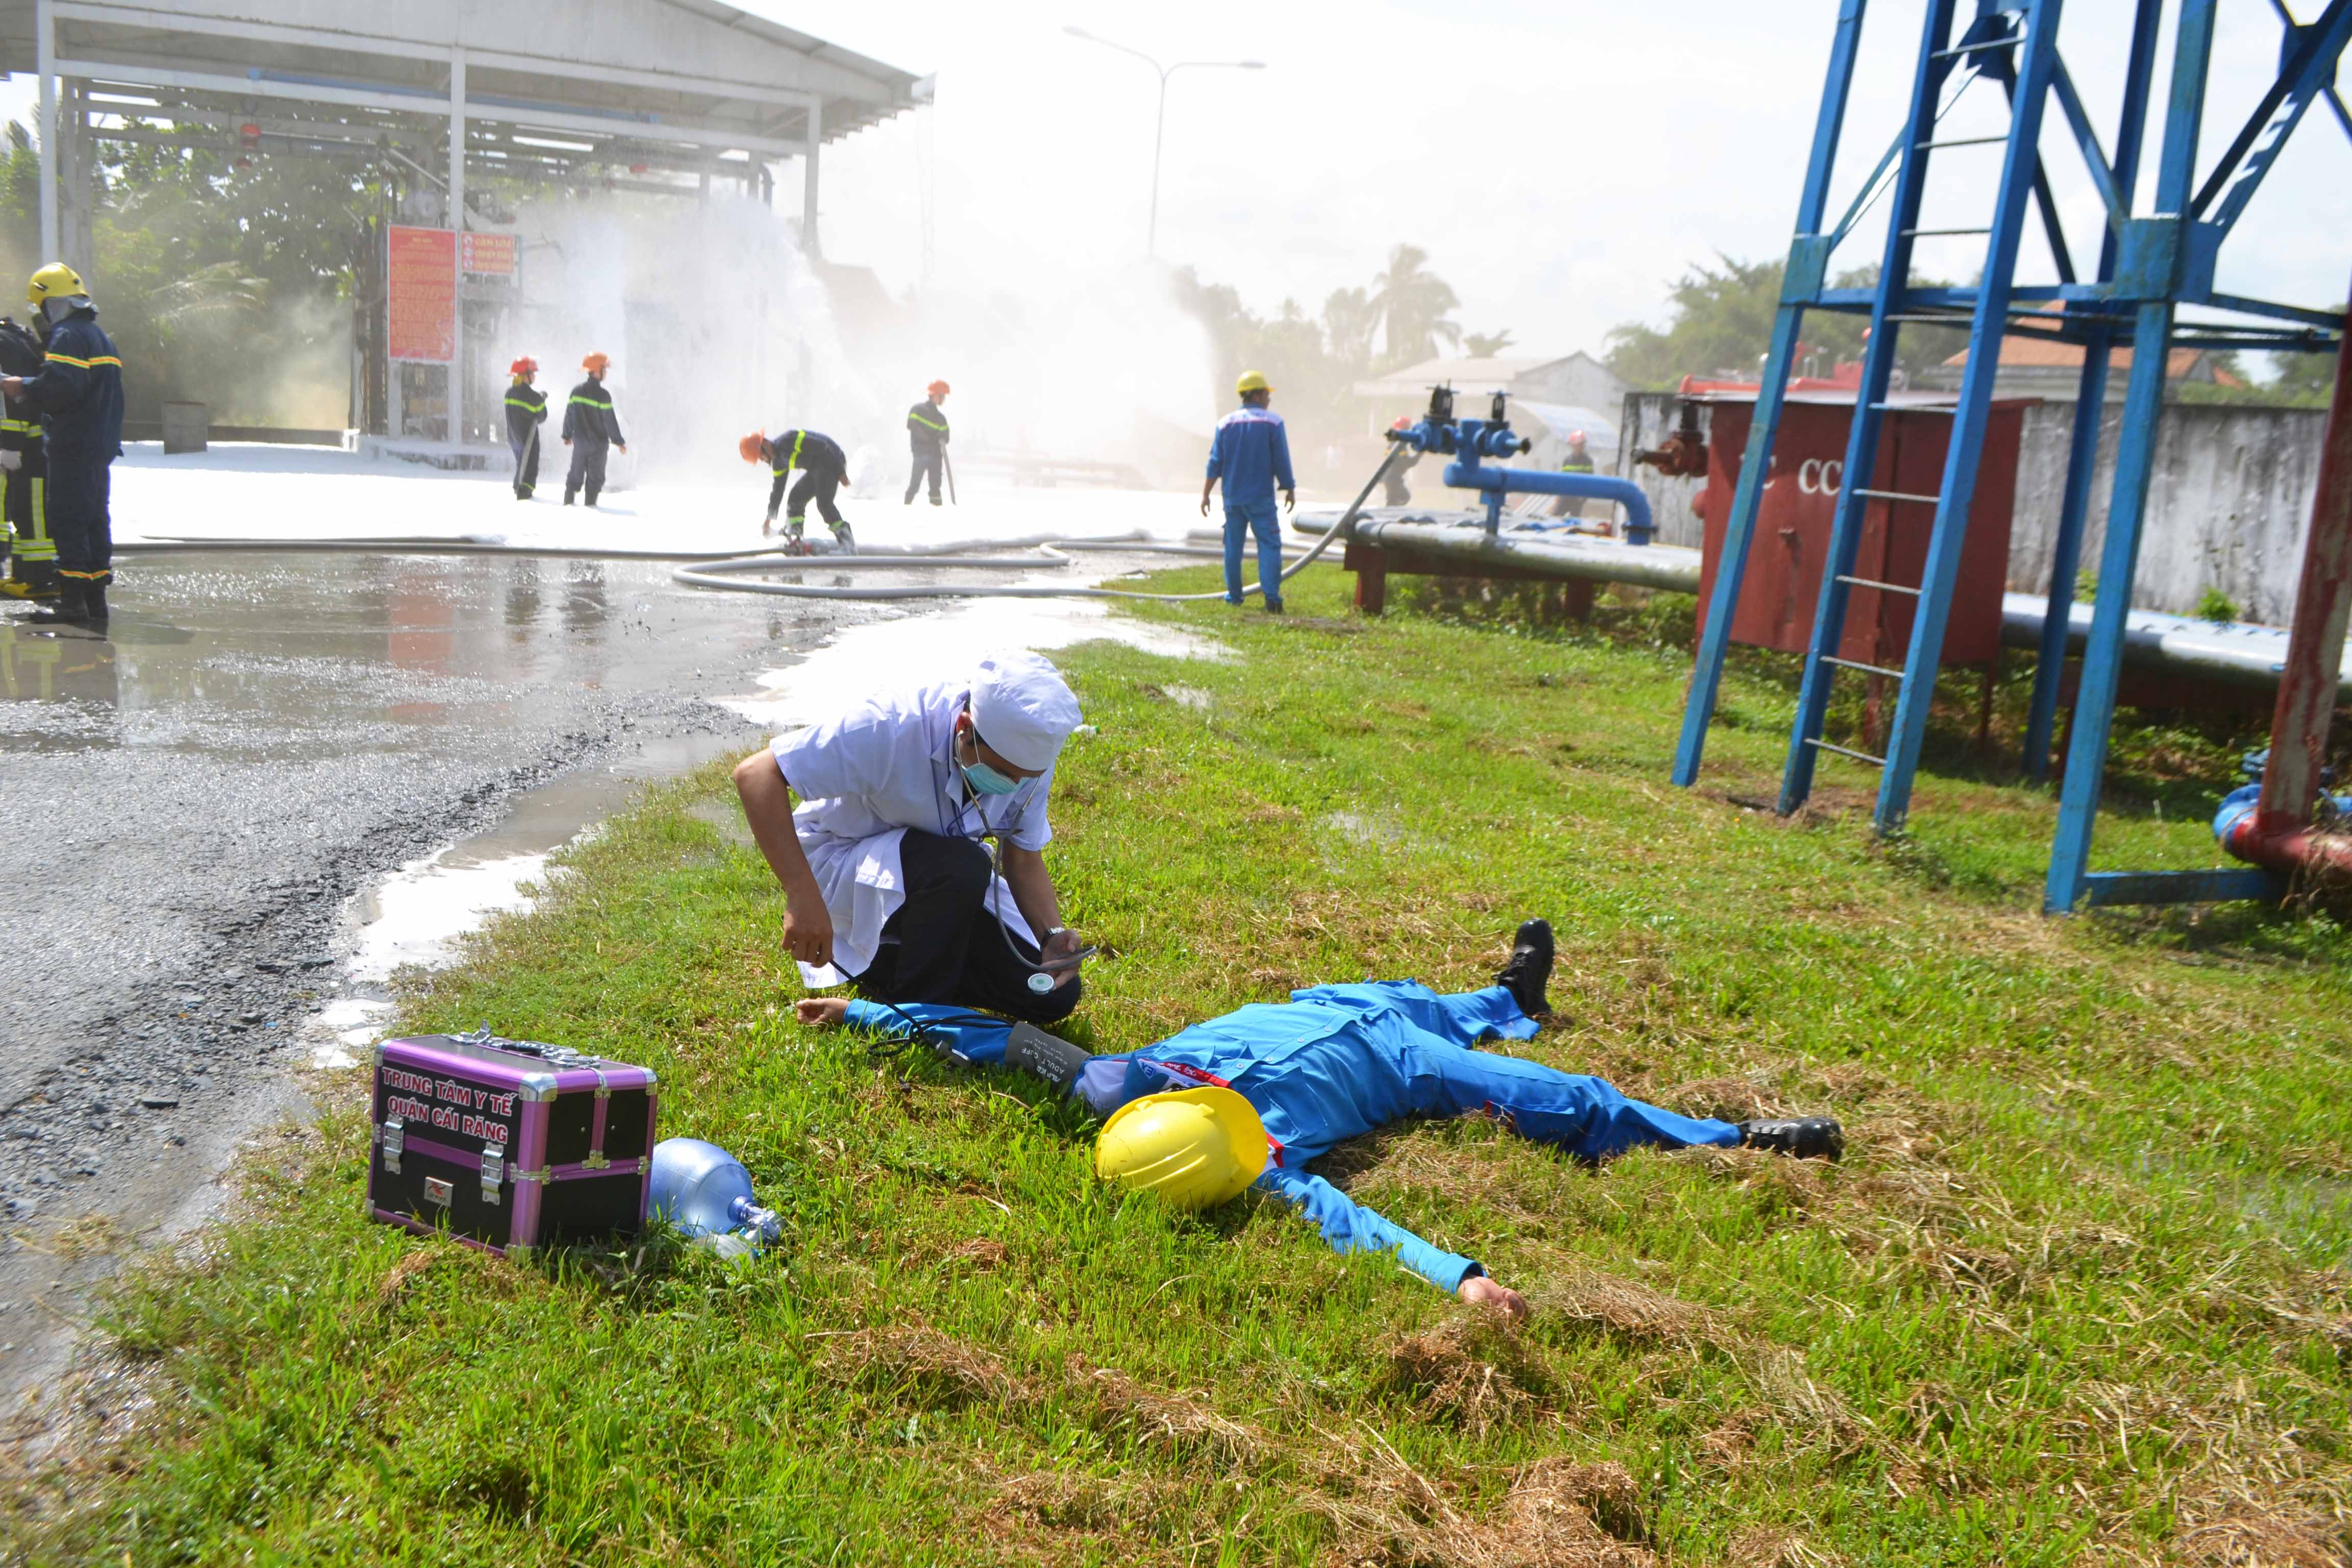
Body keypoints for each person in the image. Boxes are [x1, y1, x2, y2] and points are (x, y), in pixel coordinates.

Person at [799, 920, 1842, 1318]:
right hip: (1400, 1069)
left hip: (1325, 1006)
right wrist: (1458, 1277)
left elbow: (987, 1040)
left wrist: (866, 1012)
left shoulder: (1110, 1083)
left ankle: (1509, 997)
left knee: (1422, 997)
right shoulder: (1259, 1162)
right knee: (1569, 1102)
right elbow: (1347, 1222)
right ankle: (1733, 1136)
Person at [733, 650, 1088, 1027]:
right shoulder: (891, 725)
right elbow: (757, 774)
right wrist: (803, 896)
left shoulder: (1027, 763)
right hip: (848, 869)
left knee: (1052, 993)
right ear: (964, 728)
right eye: (1002, 773)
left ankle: (896, 971)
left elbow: (1022, 857)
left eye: (1023, 777)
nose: (1013, 786)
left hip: (943, 887)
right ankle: (916, 1014)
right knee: (963, 866)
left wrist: (1050, 936)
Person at [0, 264, 124, 629]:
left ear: (51, 303)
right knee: (94, 522)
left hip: (73, 446)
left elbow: (61, 388)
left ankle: (71, 604)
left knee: (68, 521)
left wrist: (22, 386)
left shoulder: (67, 336)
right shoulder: (99, 337)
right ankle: (94, 601)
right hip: (98, 447)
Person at [1200, 370, 1296, 615]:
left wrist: (1206, 494)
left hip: (1233, 499)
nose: (1269, 399)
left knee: (1233, 548)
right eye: (1266, 394)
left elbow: (1214, 462)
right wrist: (1289, 487)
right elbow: (1281, 459)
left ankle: (1234, 597)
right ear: (1256, 395)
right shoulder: (1273, 423)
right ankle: (1272, 599)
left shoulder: (1225, 424)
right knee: (1269, 545)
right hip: (1261, 500)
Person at [0, 313, 57, 603]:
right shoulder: (16, 339)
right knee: (24, 512)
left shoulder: (5, 343)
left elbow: (14, 396)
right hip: (28, 444)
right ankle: (24, 576)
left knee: (32, 513)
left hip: (28, 446)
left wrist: (10, 445)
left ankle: (40, 580)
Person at [741, 428, 854, 552]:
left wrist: (841, 472)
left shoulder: (789, 440)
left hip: (832, 461)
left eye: (761, 457)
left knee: (824, 504)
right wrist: (769, 519)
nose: (763, 461)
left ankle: (848, 545)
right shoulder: (778, 462)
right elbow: (778, 491)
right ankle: (796, 539)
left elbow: (823, 447)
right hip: (816, 468)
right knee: (796, 499)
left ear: (765, 445)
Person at [560, 351, 626, 507]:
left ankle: (568, 504)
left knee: (575, 475)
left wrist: (567, 435)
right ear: (597, 371)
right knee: (595, 479)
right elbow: (610, 421)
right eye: (605, 369)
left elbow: (569, 415)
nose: (606, 373)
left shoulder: (576, 391)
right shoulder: (603, 395)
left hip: (580, 443)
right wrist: (619, 442)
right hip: (599, 445)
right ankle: (591, 507)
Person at [504, 357, 548, 501]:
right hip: (528, 439)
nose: (534, 376)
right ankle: (524, 493)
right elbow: (542, 416)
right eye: (533, 373)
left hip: (513, 438)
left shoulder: (509, 393)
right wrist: (541, 400)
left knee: (521, 464)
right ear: (525, 375)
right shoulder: (533, 397)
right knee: (529, 467)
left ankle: (518, 486)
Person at [904, 380, 950, 506]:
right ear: (935, 395)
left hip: (936, 456)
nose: (944, 399)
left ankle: (937, 509)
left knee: (936, 486)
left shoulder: (941, 418)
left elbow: (946, 436)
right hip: (921, 453)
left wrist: (943, 438)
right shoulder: (917, 410)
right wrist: (931, 439)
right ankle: (906, 507)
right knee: (915, 485)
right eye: (942, 396)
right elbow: (912, 426)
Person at [1552, 429, 1596, 521]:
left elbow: (1590, 481)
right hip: (1566, 495)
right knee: (1556, 517)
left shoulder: (1587, 461)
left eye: (1582, 444)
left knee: (1574, 520)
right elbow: (1562, 480)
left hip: (1578, 497)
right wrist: (1558, 497)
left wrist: (1583, 497)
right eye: (1578, 444)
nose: (1580, 447)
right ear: (1573, 445)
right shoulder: (1567, 460)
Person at [1381, 415, 1421, 508]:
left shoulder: (1392, 444)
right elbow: (1406, 463)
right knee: (1402, 498)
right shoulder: (1400, 446)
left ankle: (1392, 510)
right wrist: (1419, 455)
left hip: (1390, 477)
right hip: (1393, 478)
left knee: (1397, 499)